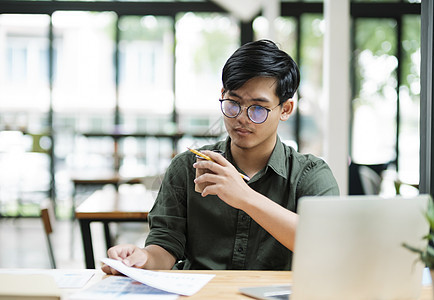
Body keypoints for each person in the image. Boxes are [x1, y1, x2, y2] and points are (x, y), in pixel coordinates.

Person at [102, 39, 339, 273]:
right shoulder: (186, 167)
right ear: (223, 94)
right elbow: (165, 247)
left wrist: (244, 196)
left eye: (258, 108)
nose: (242, 118)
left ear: (285, 109)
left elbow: (325, 245)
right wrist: (141, 258)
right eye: (233, 103)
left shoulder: (310, 174)